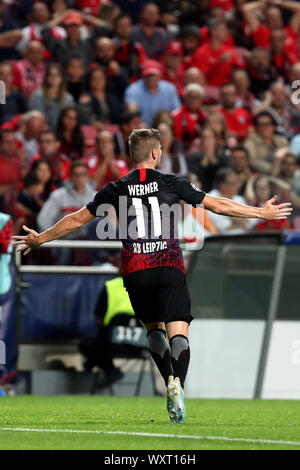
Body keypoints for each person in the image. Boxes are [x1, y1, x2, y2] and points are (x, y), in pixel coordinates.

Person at [12, 128, 292, 423]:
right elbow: (218, 204)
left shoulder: (116, 187)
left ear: (131, 155)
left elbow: (75, 220)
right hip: (169, 266)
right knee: (179, 333)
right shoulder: (173, 183)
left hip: (136, 271)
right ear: (156, 153)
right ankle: (177, 385)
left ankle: (167, 377)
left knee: (154, 331)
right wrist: (259, 213)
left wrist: (40, 239)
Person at [124, 60, 180, 126]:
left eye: (153, 75)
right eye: (148, 75)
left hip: (164, 129)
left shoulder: (169, 88)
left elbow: (177, 111)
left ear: (159, 74)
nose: (151, 78)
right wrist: (139, 125)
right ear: (143, 75)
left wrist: (168, 120)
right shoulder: (133, 90)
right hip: (143, 129)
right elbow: (132, 112)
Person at [29, 63, 74, 129]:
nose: (54, 78)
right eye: (51, 75)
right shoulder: (37, 96)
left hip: (62, 132)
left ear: (62, 78)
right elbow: (36, 120)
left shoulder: (68, 98)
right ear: (47, 77)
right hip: (43, 132)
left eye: (57, 75)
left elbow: (71, 119)